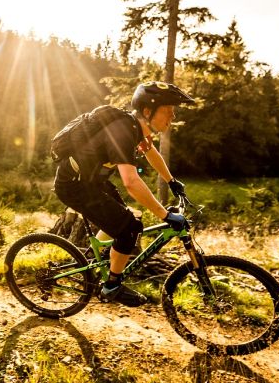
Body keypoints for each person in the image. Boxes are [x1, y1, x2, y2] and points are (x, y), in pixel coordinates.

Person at [52, 81, 194, 306]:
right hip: (74, 186)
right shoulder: (123, 130)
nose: (172, 117)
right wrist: (164, 215)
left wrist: (172, 181)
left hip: (93, 182)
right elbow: (131, 182)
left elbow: (151, 152)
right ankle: (111, 286)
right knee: (129, 229)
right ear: (148, 111)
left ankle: (94, 260)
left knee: (131, 218)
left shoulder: (135, 128)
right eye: (168, 111)